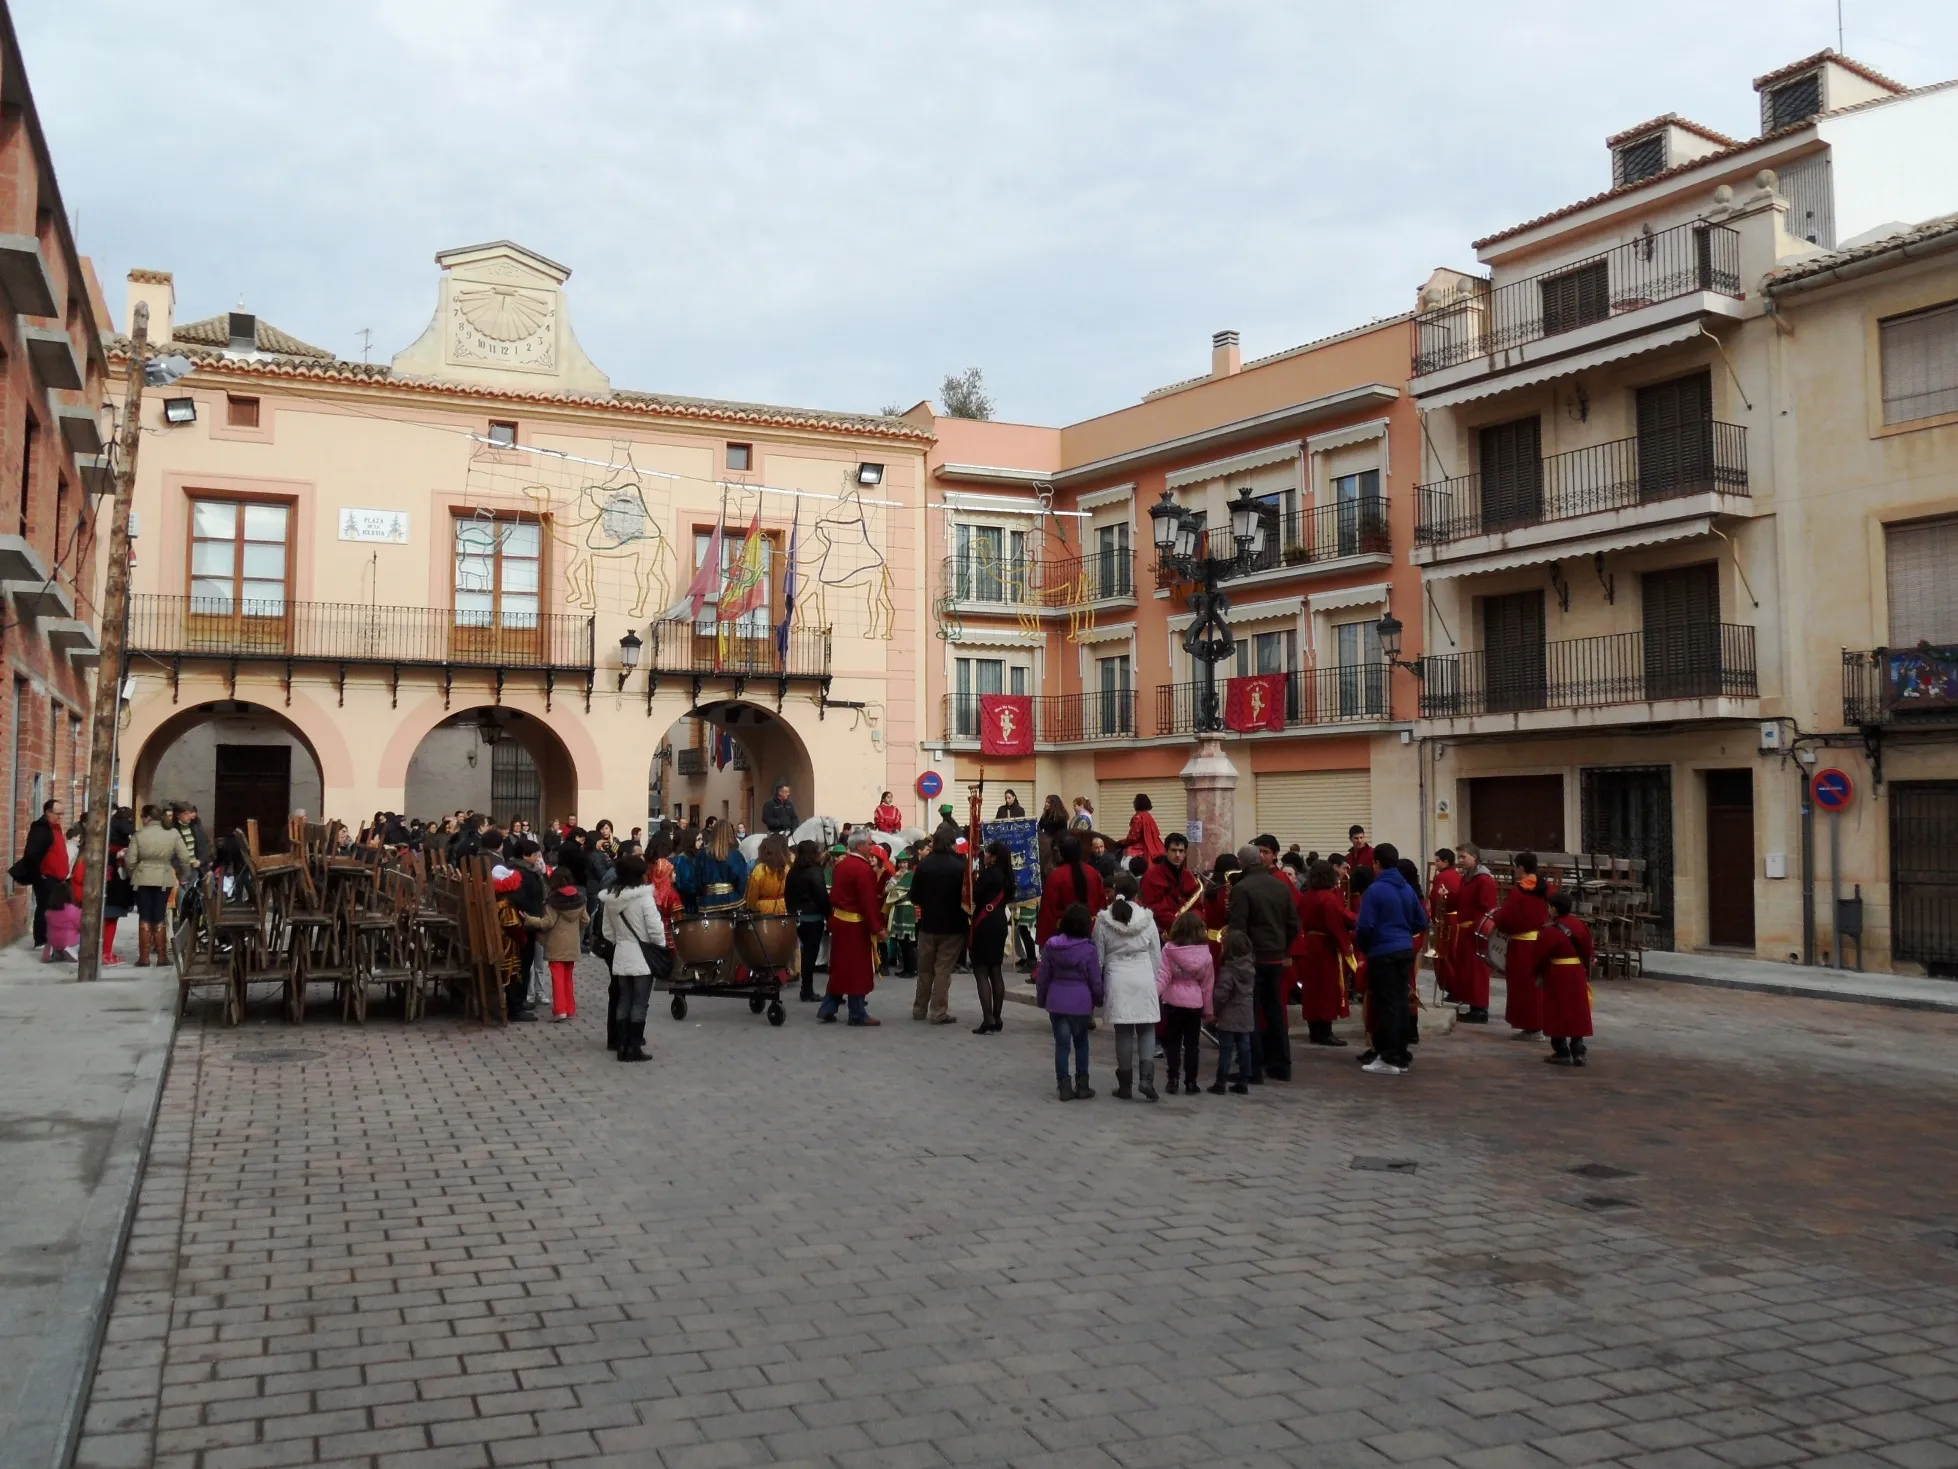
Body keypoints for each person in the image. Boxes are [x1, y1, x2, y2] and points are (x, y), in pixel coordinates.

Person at [1227, 842, 1300, 1083]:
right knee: (1275, 1009)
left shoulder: (1242, 888)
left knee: (1252, 1011)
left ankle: (1253, 1067)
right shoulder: (1281, 886)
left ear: (1242, 863)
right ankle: (1282, 1066)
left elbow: (1238, 929)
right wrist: (1283, 947)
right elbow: (1293, 924)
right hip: (1275, 957)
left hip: (1252, 958)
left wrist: (1235, 957)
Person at [1355, 842, 1426, 1075]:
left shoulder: (1375, 890)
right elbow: (1421, 921)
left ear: (1376, 863)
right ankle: (1401, 1055)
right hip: (1404, 949)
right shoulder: (1406, 888)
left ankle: (1387, 1057)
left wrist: (1366, 946)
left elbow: (1364, 925)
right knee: (1400, 1003)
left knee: (1385, 1005)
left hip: (1382, 951)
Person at [1096, 872, 1163, 1102]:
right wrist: (1152, 978)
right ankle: (1147, 1080)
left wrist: (1100, 984)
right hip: (1143, 974)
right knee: (1147, 1028)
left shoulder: (1104, 919)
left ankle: (1125, 1085)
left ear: (1115, 891)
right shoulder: (1147, 918)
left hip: (1118, 977)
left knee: (1123, 1031)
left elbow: (1099, 957)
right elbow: (1156, 953)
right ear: (1137, 892)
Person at [600, 854, 664, 1062]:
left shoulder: (610, 899)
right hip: (642, 956)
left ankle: (622, 1045)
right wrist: (659, 946)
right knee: (640, 1002)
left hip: (621, 953)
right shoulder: (644, 898)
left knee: (624, 1000)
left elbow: (607, 932)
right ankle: (634, 1046)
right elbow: (655, 928)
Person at [1036, 902, 1103, 1102]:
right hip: (1081, 1002)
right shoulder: (1088, 950)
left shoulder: (1051, 946)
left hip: (1057, 1000)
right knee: (1081, 1044)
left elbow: (1043, 976)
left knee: (1062, 1045)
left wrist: (1042, 998)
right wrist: (1098, 999)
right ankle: (1082, 1084)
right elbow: (1095, 979)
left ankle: (1063, 1085)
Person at [819, 830, 885, 1026]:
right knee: (857, 969)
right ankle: (857, 1013)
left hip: (840, 922)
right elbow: (868, 902)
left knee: (840, 967)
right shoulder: (863, 870)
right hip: (855, 926)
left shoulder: (842, 865)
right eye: (869, 844)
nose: (872, 848)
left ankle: (828, 1007)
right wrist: (877, 927)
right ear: (859, 846)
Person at [907, 830, 968, 1025]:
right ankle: (938, 1011)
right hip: (952, 925)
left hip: (928, 923)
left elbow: (914, 895)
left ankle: (919, 1009)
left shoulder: (924, 865)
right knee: (943, 970)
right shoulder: (960, 866)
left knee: (924, 969)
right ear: (952, 844)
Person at [1156, 909, 1214, 1095]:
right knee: (1192, 1045)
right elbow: (1207, 985)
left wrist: (1153, 994)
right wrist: (1209, 1010)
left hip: (1173, 1001)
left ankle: (1172, 1079)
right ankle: (1191, 1082)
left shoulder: (1169, 949)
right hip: (1195, 1003)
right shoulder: (1206, 954)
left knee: (1172, 1043)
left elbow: (1163, 975)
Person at [1493, 851, 1550, 1039]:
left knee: (1523, 988)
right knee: (1537, 987)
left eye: (1516, 867)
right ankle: (1539, 1024)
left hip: (1523, 945)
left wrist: (1497, 917)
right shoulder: (1547, 888)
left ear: (1522, 868)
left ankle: (1531, 1027)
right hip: (1542, 941)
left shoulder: (1519, 892)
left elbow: (1507, 919)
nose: (1515, 871)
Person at [1296, 861, 1353, 1047]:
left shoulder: (1308, 896)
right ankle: (1325, 1032)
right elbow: (1335, 924)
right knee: (1327, 988)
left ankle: (1315, 1030)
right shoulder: (1327, 898)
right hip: (1325, 947)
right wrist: (1346, 945)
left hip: (1310, 945)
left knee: (1312, 988)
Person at [1539, 891, 1595, 1067]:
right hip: (1577, 971)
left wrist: (1538, 974)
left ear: (1554, 909)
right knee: (1577, 1010)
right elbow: (1587, 950)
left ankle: (1561, 1050)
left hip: (1557, 972)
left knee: (1557, 1010)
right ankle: (1578, 1050)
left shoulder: (1550, 930)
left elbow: (1540, 956)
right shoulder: (1579, 926)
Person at [525, 870, 589, 1022]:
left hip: (556, 944)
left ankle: (560, 1010)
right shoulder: (580, 898)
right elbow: (585, 920)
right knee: (568, 978)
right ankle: (570, 1008)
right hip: (572, 944)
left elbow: (548, 923)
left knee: (557, 978)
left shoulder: (553, 900)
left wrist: (530, 920)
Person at [128, 805, 185, 968]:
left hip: (143, 876)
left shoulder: (139, 834)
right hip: (163, 876)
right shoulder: (172, 833)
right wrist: (185, 873)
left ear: (147, 817)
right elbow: (184, 856)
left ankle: (144, 958)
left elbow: (130, 860)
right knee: (159, 915)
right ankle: (161, 957)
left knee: (144, 916)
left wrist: (134, 873)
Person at [968, 840, 1014, 1034]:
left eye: (987, 853)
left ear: (993, 856)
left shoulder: (988, 874)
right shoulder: (1007, 875)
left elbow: (976, 895)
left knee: (981, 971)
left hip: (984, 922)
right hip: (999, 921)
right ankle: (997, 1016)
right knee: (996, 969)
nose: (984, 856)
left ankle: (987, 1018)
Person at [1207, 931, 1257, 1095]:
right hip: (1245, 1014)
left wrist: (1214, 1010)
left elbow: (1222, 995)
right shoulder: (1250, 968)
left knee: (1226, 1050)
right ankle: (1244, 1081)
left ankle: (1220, 1082)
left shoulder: (1229, 970)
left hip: (1229, 1015)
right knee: (1245, 1048)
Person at [1035, 835, 1105, 945]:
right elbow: (1102, 904)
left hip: (1063, 935)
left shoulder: (1056, 877)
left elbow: (1048, 909)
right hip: (1092, 931)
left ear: (1062, 854)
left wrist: (1044, 940)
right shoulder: (1093, 873)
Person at [17, 798, 66, 950]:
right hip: (45, 877)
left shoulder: (56, 828)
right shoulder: (40, 828)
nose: (60, 817)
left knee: (54, 908)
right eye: (57, 814)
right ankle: (40, 940)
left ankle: (52, 938)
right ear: (48, 812)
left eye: (62, 814)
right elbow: (32, 854)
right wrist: (40, 874)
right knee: (44, 907)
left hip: (57, 877)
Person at [786, 840, 830, 1003]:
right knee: (810, 955)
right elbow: (821, 896)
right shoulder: (815, 871)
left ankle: (806, 989)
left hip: (796, 917)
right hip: (813, 917)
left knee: (804, 953)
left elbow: (788, 895)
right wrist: (828, 914)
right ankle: (807, 990)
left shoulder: (792, 871)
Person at [1139, 832, 1201, 936]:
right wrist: (1177, 923)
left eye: (1181, 851)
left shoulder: (1188, 875)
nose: (1177, 855)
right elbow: (1153, 906)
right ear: (1165, 851)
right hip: (1160, 932)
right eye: (1173, 850)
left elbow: (1197, 906)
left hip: (1187, 931)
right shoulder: (1152, 874)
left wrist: (1191, 922)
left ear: (1185, 853)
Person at [687, 820, 749, 916]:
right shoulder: (736, 855)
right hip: (732, 902)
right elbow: (742, 879)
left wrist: (702, 895)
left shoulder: (703, 855)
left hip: (708, 902)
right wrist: (738, 895)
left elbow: (696, 880)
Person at [1428, 848, 1462, 1003]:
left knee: (1444, 955)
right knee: (1455, 956)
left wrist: (1433, 918)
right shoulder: (1457, 875)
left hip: (1445, 920)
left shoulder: (1441, 877)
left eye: (1437, 861)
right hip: (1456, 920)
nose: (1435, 864)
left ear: (1445, 862)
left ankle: (1452, 987)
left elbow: (1435, 898)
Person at [743, 833, 790, 915]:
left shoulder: (759, 870)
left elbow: (752, 897)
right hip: (784, 909)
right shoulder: (787, 868)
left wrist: (749, 909)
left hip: (763, 912)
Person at [1036, 795, 1069, 873]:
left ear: (1054, 804)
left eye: (1048, 802)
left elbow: (1062, 833)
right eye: (1046, 802)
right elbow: (1039, 826)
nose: (1046, 804)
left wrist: (1051, 841)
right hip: (1045, 842)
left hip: (1055, 844)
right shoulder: (1045, 815)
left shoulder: (1061, 817)